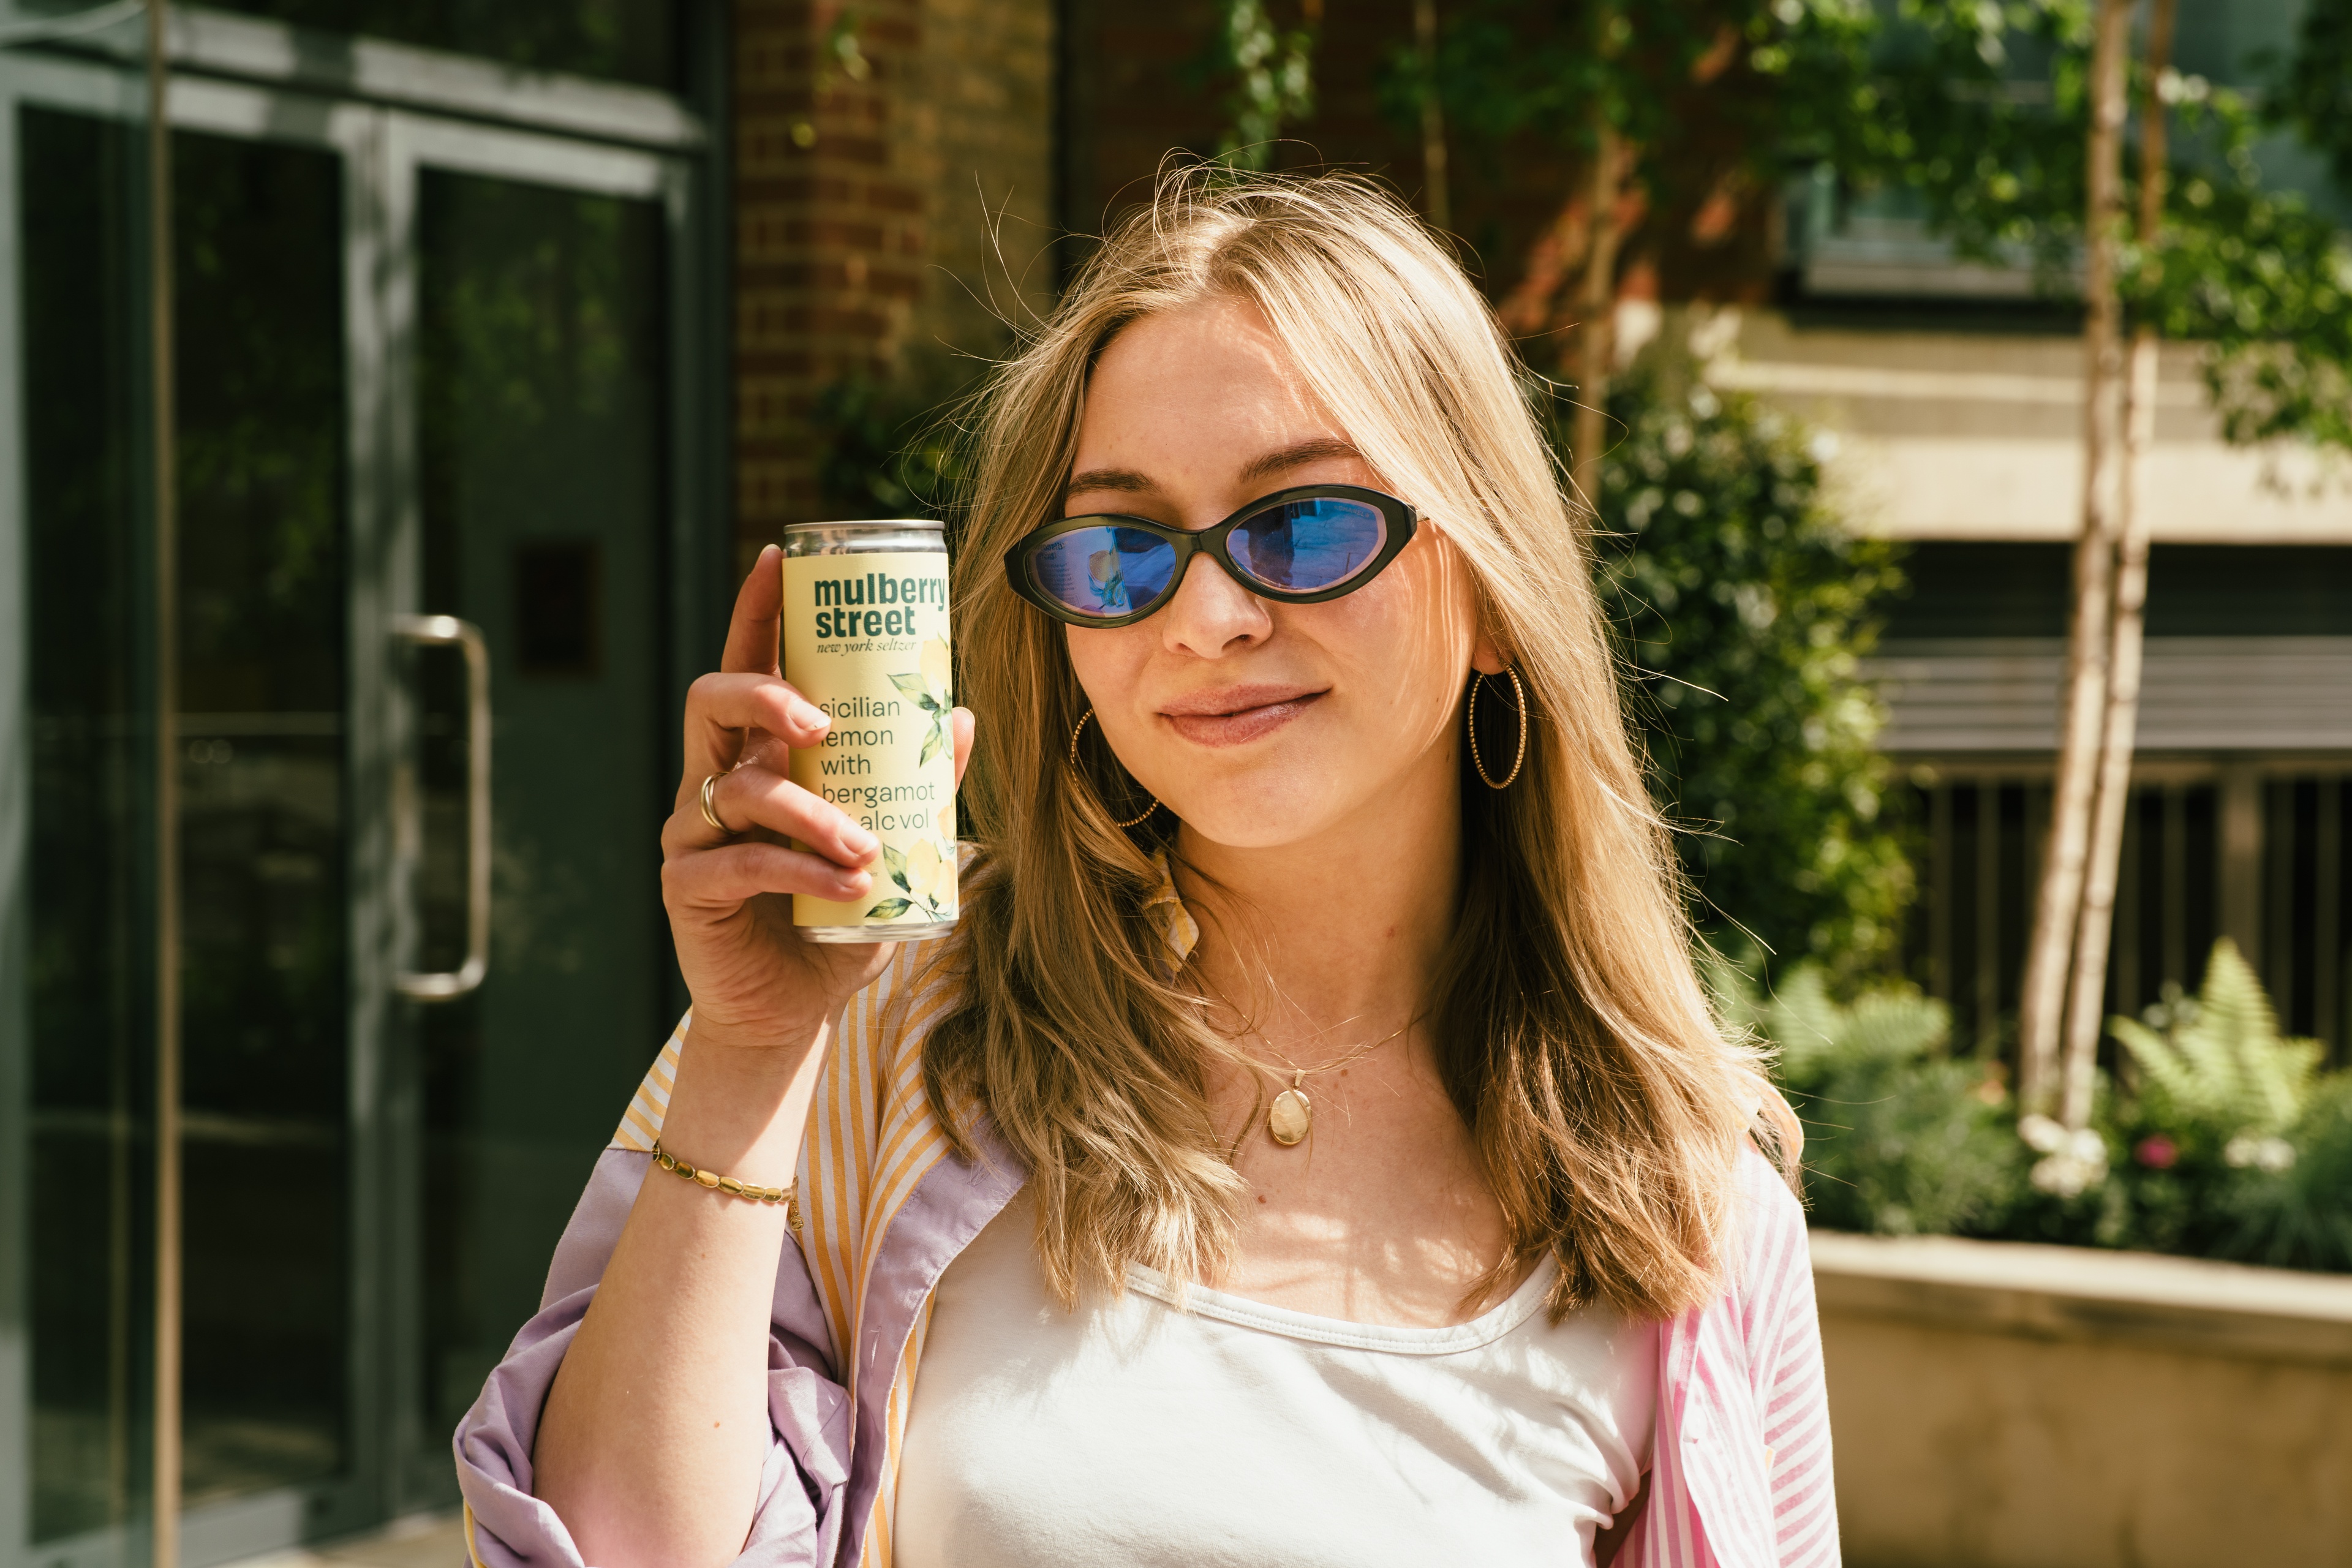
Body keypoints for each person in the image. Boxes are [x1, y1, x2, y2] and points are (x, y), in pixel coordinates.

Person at [454, 165, 1836, 1568]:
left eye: (1302, 523)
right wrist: (753, 1057)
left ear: (1489, 589)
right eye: (1122, 550)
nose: (1208, 616)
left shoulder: (1690, 1209)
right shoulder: (886, 1016)